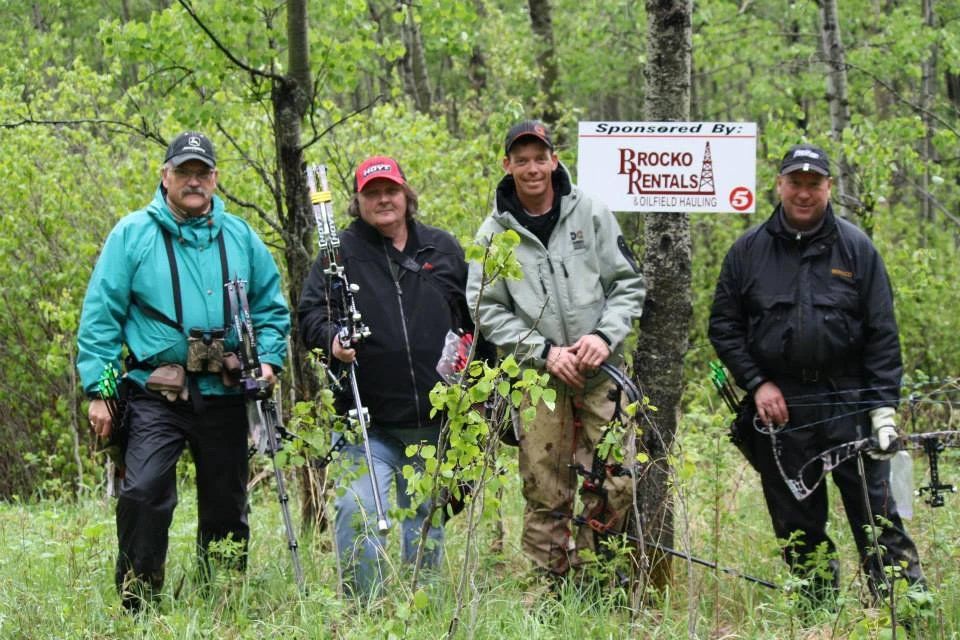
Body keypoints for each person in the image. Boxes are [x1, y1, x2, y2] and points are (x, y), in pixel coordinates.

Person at [77, 131, 291, 611]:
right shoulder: (132, 234)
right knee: (144, 493)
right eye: (183, 172)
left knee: (227, 505)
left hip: (227, 390)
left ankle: (222, 602)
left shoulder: (240, 236)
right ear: (165, 176)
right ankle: (140, 604)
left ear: (215, 179)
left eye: (202, 173)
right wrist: (100, 391)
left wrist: (271, 360)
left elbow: (272, 310)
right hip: (156, 392)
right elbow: (101, 319)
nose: (193, 181)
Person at [708, 143, 924, 604]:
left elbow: (882, 333)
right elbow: (723, 327)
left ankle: (907, 609)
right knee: (798, 522)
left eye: (814, 184)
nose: (804, 193)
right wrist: (757, 382)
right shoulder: (747, 251)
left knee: (877, 512)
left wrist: (884, 408)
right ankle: (816, 614)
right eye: (795, 183)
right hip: (781, 407)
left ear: (829, 187)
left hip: (850, 398)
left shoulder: (857, 248)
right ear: (780, 185)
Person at [466, 120, 646, 580]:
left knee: (615, 482)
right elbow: (486, 308)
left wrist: (603, 336)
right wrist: (542, 352)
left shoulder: (590, 212)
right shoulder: (493, 235)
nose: (532, 168)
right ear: (507, 165)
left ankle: (597, 581)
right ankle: (549, 593)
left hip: (601, 374)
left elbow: (627, 284)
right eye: (521, 159)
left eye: (539, 158)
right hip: (538, 380)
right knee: (546, 489)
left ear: (554, 159)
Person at [299, 155, 477, 597]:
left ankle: (424, 606)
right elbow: (309, 317)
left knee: (426, 522)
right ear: (357, 202)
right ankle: (365, 611)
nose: (383, 200)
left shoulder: (442, 248)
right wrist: (333, 340)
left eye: (391, 191)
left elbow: (474, 318)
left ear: (406, 195)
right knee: (357, 510)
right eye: (372, 193)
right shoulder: (337, 255)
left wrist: (476, 380)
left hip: (434, 419)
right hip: (367, 420)